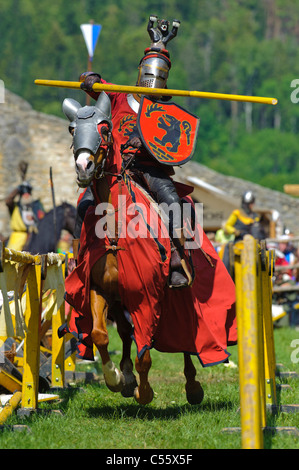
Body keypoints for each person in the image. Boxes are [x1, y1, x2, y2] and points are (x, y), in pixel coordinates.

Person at [77, 16, 193, 288]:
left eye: (159, 75)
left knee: (172, 202)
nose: (153, 78)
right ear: (140, 71)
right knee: (84, 205)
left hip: (147, 169)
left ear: (165, 80)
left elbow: (172, 145)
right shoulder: (118, 96)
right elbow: (91, 81)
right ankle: (79, 257)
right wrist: (90, 78)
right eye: (150, 71)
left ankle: (177, 259)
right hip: (114, 167)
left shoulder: (166, 111)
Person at [5, 180, 45, 251]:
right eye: (24, 194)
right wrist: (17, 189)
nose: (26, 195)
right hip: (19, 236)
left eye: (28, 193)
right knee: (12, 257)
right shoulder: (15, 207)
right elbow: (8, 201)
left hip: (34, 235)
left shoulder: (36, 206)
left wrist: (34, 218)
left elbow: (42, 218)